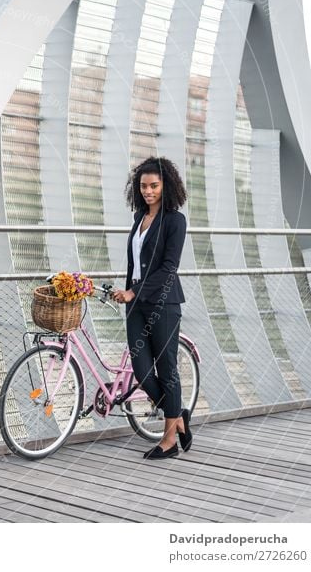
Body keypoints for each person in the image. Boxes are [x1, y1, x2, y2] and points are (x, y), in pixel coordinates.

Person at [112, 156, 192, 460]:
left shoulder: (175, 221)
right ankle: (179, 416)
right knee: (144, 372)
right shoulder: (139, 218)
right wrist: (129, 293)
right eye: (143, 186)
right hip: (136, 305)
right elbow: (137, 263)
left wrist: (135, 292)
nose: (148, 191)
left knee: (167, 369)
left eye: (154, 186)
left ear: (165, 185)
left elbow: (169, 267)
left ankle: (169, 440)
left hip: (164, 303)